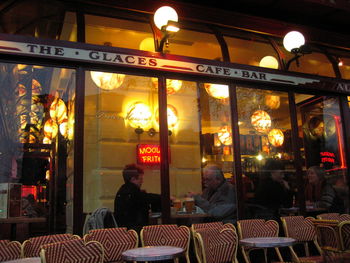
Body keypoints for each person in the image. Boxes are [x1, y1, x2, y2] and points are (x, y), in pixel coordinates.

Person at [114, 164, 161, 232]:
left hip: (123, 231)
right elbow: (148, 197)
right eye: (140, 179)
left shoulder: (122, 191)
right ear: (133, 179)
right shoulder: (133, 191)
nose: (142, 181)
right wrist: (165, 197)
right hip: (134, 231)